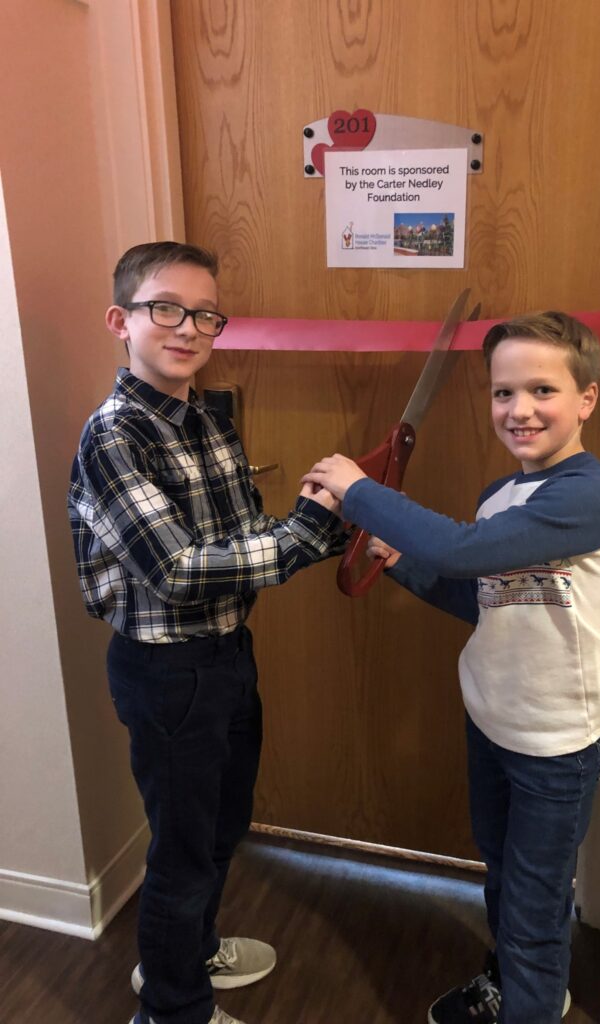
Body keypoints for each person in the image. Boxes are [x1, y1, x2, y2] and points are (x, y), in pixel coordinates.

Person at [303, 312, 600, 1024]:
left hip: (556, 744)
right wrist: (396, 564)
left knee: (537, 907)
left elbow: (456, 550)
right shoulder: (500, 495)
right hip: (492, 717)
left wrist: (358, 489)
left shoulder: (590, 496)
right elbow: (480, 594)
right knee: (504, 875)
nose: (519, 410)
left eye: (542, 389)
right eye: (502, 392)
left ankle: (532, 998)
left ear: (587, 399)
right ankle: (512, 985)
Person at [68, 241, 346, 1024]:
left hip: (226, 655)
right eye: (165, 308)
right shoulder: (116, 436)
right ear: (121, 320)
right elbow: (181, 570)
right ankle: (170, 1009)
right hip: (166, 672)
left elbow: (244, 536)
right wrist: (305, 532)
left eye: (204, 314)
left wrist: (315, 522)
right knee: (183, 854)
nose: (187, 328)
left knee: (221, 828)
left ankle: (188, 956)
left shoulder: (204, 418)